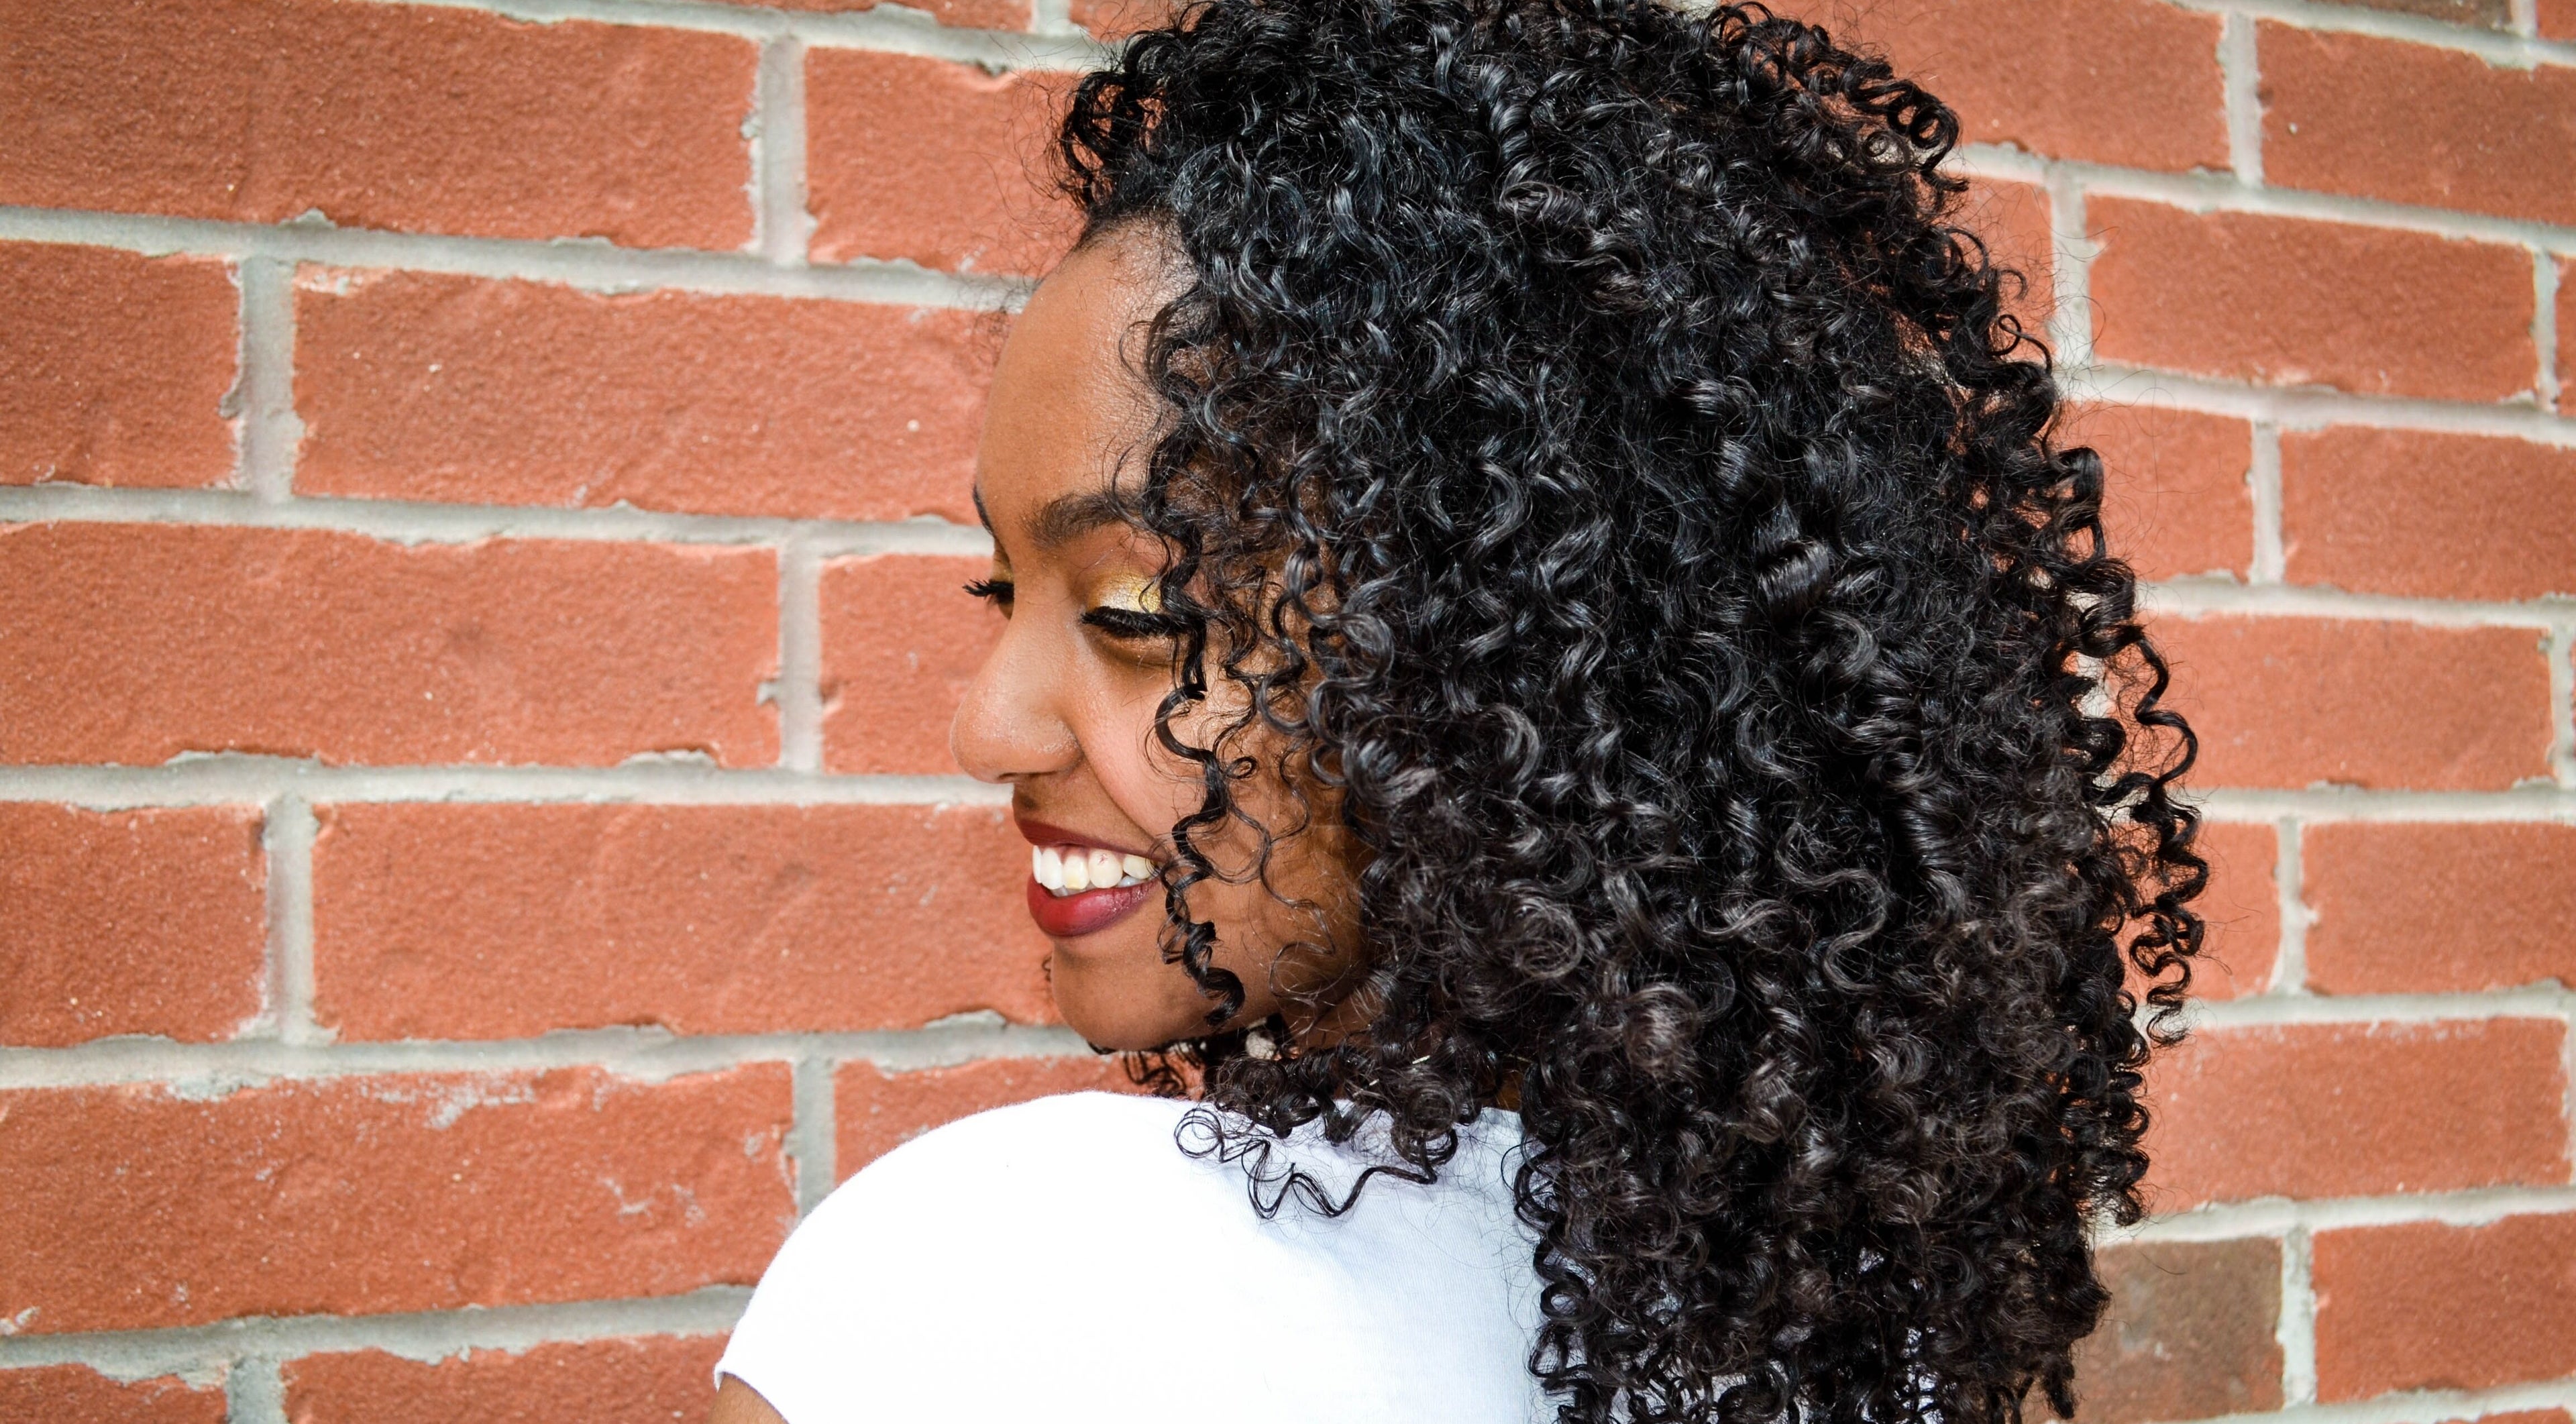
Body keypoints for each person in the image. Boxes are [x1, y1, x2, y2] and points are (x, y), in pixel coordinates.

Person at [710, 1, 2204, 1420]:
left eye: (1135, 613)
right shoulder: (1846, 1336)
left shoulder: (985, 1286)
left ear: (1518, 637)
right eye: (1001, 592)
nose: (988, 727)